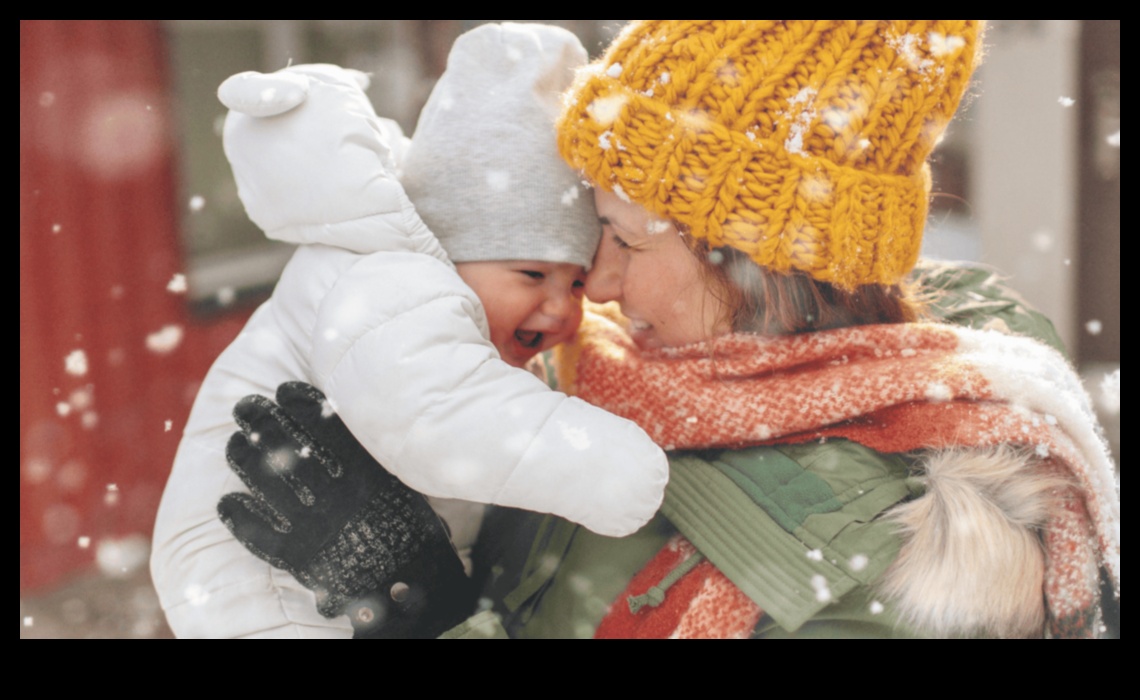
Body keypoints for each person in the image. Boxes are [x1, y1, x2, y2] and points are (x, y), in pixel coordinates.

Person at [224, 20, 1120, 638]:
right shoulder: (635, 371)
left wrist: (412, 603)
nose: (597, 287)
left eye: (622, 236)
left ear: (759, 256)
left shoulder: (906, 563)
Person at [150, 23, 668, 639]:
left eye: (577, 283)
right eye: (532, 273)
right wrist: (611, 468)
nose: (561, 309)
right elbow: (437, 418)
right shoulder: (390, 284)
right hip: (261, 573)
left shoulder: (421, 296)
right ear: (452, 249)